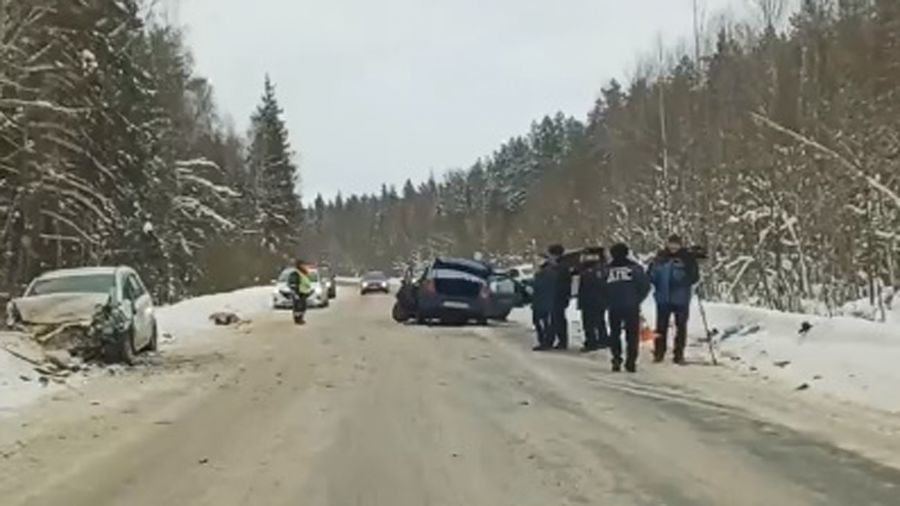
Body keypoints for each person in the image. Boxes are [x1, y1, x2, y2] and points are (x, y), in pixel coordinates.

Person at [649, 234, 700, 364]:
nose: (673, 247)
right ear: (667, 244)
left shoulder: (687, 258)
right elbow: (651, 274)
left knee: (681, 326)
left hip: (681, 298)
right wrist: (654, 280)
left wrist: (684, 278)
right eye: (671, 244)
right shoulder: (660, 258)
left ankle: (679, 354)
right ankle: (659, 352)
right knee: (660, 327)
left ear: (680, 245)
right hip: (662, 298)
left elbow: (694, 277)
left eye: (676, 244)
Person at [603, 243, 651, 372]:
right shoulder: (635, 268)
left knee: (615, 334)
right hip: (631, 306)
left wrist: (607, 301)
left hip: (614, 306)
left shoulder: (607, 270)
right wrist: (637, 299)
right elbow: (645, 286)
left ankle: (616, 359)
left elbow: (601, 288)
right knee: (632, 335)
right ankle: (631, 362)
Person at [577, 247, 608, 352]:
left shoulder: (592, 270)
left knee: (589, 322)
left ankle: (592, 342)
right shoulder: (603, 267)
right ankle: (602, 339)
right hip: (599, 299)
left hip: (591, 300)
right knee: (599, 320)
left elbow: (588, 284)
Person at [547, 244, 572, 350]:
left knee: (557, 319)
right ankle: (558, 340)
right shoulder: (562, 265)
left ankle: (560, 341)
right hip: (560, 296)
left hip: (559, 296)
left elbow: (561, 283)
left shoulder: (561, 267)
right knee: (557, 319)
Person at [531, 258, 556, 351]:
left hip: (542, 302)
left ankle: (544, 342)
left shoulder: (543, 274)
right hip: (546, 301)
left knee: (542, 323)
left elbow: (538, 287)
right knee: (545, 322)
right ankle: (547, 341)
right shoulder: (551, 271)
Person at [287, 259, 313, 324]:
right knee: (298, 307)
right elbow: (293, 283)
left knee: (303, 306)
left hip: (303, 292)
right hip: (299, 292)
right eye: (303, 265)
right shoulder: (295, 273)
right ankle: (298, 319)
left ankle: (300, 318)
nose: (305, 266)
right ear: (300, 266)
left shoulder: (303, 272)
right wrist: (295, 293)